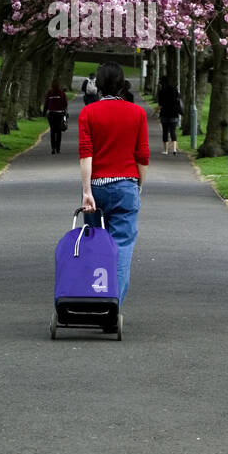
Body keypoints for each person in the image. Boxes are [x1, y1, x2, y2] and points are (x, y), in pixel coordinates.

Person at [79, 60, 149, 305]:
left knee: (95, 243)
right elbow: (142, 156)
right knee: (123, 247)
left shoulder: (88, 113)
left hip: (96, 186)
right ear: (122, 85)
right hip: (126, 185)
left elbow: (86, 154)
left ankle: (94, 297)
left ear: (97, 84)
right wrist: (139, 186)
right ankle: (113, 304)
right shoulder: (137, 113)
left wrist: (87, 191)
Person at [155, 73, 182, 155]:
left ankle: (166, 150)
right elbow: (178, 101)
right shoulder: (174, 90)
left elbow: (160, 105)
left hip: (164, 114)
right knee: (173, 131)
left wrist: (154, 112)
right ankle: (174, 150)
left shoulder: (161, 92)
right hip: (174, 114)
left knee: (165, 132)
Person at [43, 78, 68, 154]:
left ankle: (53, 148)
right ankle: (58, 148)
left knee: (52, 131)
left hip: (51, 114)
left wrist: (44, 112)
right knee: (59, 131)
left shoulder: (49, 93)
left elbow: (46, 103)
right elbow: (65, 103)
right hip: (60, 114)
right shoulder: (62, 93)